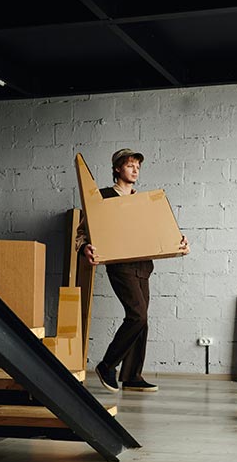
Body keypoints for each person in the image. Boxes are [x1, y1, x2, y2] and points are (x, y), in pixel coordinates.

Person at [76, 148, 189, 393]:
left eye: (138, 165)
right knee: (138, 316)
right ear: (117, 168)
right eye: (130, 165)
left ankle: (132, 375)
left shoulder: (143, 202)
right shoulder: (102, 197)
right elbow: (81, 232)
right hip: (120, 265)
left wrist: (178, 241)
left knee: (142, 321)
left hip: (143, 266)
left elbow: (158, 230)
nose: (135, 169)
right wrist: (85, 247)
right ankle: (107, 365)